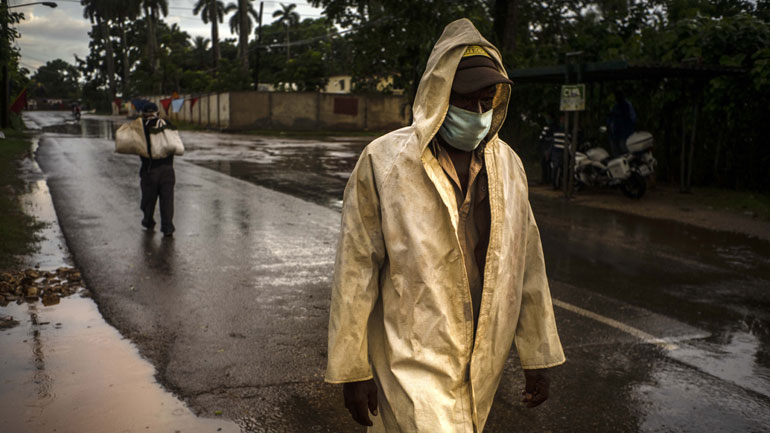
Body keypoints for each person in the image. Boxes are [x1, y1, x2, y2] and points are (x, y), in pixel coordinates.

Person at [325, 19, 565, 433]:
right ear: (438, 95)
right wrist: (352, 367)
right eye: (466, 100)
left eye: (486, 100)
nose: (477, 113)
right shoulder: (384, 163)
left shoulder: (509, 166)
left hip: (482, 356)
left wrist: (537, 355)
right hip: (410, 353)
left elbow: (527, 264)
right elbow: (356, 268)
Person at [139, 103, 175, 237]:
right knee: (167, 200)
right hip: (168, 170)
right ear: (158, 113)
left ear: (143, 114)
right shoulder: (167, 124)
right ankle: (168, 227)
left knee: (148, 200)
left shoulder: (141, 127)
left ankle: (148, 221)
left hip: (149, 170)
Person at [607, 90, 636, 156]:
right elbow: (610, 119)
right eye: (616, 96)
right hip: (615, 135)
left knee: (624, 151)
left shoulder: (627, 105)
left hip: (625, 134)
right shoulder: (615, 107)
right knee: (616, 152)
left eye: (618, 95)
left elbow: (632, 119)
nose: (617, 97)